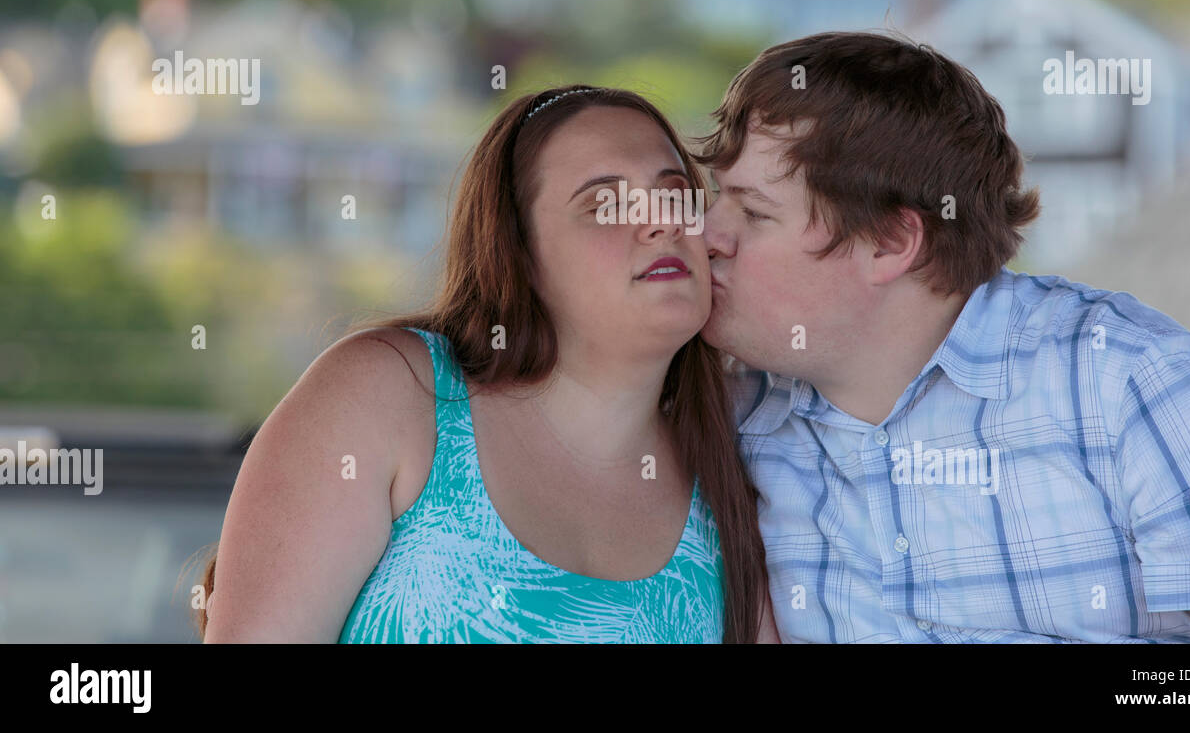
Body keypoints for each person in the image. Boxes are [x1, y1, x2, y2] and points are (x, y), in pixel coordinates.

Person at [695, 30, 1190, 643]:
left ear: (890, 242)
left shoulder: (1141, 392)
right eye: (718, 196)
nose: (704, 234)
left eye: (753, 211)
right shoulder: (723, 414)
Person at [196, 85, 777, 643]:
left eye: (675, 193)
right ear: (519, 255)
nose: (663, 220)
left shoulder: (737, 466)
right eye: (605, 203)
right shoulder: (391, 393)